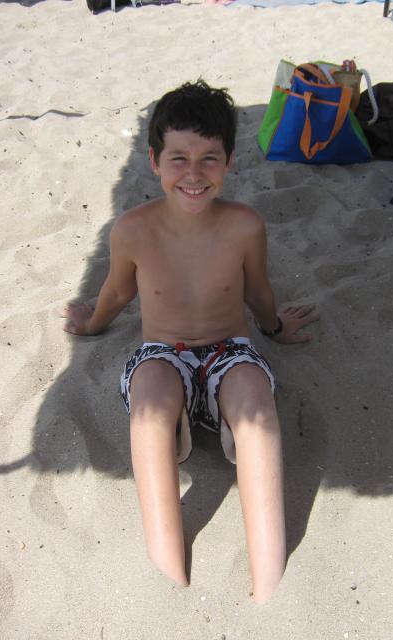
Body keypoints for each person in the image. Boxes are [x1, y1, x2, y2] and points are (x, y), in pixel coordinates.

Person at [63, 80, 317, 603]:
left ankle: (268, 580)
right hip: (164, 353)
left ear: (229, 162)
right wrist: (91, 323)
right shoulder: (132, 230)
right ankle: (168, 567)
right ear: (154, 160)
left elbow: (258, 292)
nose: (194, 174)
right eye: (178, 159)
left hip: (229, 350)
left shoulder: (244, 225)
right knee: (150, 408)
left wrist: (274, 328)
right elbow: (116, 292)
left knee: (257, 407)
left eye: (209, 159)